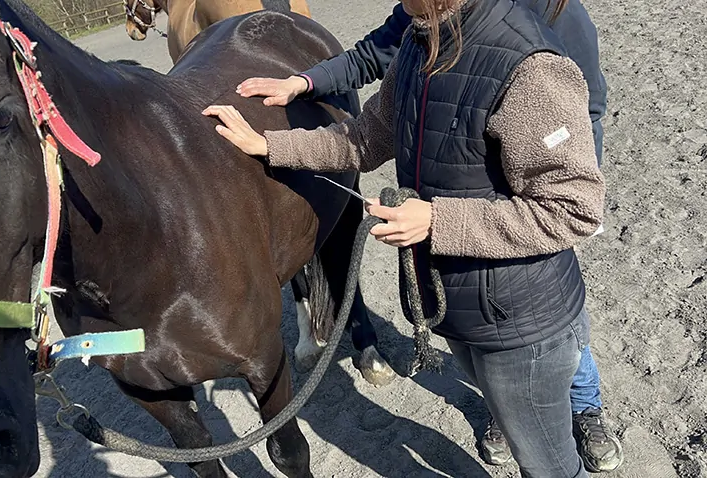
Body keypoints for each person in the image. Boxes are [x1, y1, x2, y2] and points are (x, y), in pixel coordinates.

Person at [203, 0, 614, 474]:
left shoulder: (529, 66)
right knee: (520, 433)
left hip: (520, 321)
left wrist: (436, 222)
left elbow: (573, 209)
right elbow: (365, 137)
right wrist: (269, 145)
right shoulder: (421, 42)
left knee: (548, 464)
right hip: (458, 303)